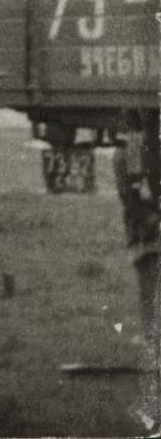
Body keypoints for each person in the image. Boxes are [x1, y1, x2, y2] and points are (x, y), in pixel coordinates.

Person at [113, 109, 160, 417]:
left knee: (149, 287)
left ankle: (153, 343)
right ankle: (153, 343)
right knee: (149, 285)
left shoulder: (129, 151)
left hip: (146, 229)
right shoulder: (133, 151)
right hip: (147, 228)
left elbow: (130, 194)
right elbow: (131, 194)